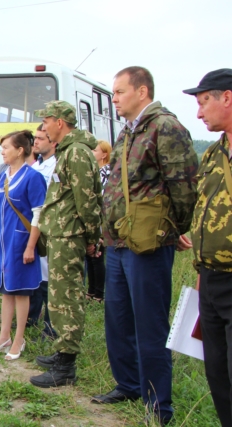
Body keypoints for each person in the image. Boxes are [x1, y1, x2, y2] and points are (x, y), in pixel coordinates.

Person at [94, 66, 197, 427]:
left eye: (120, 92)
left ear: (141, 91)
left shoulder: (164, 127)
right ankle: (129, 385)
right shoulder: (128, 131)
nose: (115, 99)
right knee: (118, 319)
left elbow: (184, 186)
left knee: (149, 324)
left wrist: (172, 229)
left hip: (147, 244)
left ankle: (158, 405)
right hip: (119, 241)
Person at [31, 101, 102, 388]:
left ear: (60, 122)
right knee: (58, 299)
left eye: (46, 120)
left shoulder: (77, 153)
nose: (43, 126)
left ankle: (66, 366)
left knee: (68, 298)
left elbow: (88, 201)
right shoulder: (67, 151)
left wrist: (92, 238)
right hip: (62, 234)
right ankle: (62, 352)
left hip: (71, 236)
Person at [183, 68, 232, 427]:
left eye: (204, 103)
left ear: (226, 98)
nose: (199, 113)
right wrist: (201, 270)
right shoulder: (215, 153)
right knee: (217, 371)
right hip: (212, 280)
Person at [0, 130, 46, 360]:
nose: (2, 152)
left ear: (20, 150)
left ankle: (19, 339)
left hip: (21, 240)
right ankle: (4, 335)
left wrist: (31, 246)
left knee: (20, 290)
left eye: (6, 148)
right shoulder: (4, 176)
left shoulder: (33, 177)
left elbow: (38, 214)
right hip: (3, 239)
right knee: (5, 290)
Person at [27, 124, 58, 335]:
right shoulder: (37, 166)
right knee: (38, 277)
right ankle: (32, 318)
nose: (35, 142)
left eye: (41, 138)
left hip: (49, 229)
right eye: (35, 138)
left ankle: (50, 326)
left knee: (48, 279)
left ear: (53, 142)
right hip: (34, 227)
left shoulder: (56, 166)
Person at [85, 140, 111, 303]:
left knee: (98, 256)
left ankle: (99, 293)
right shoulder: (93, 170)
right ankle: (91, 290)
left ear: (104, 154)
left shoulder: (106, 173)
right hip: (92, 218)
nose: (92, 153)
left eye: (95, 150)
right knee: (90, 256)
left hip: (101, 220)